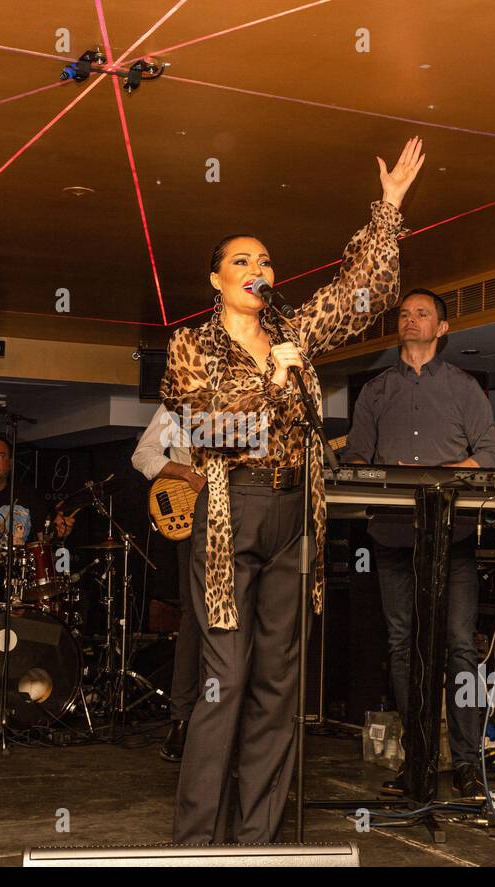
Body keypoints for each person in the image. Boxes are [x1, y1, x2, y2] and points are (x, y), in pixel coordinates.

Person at [163, 136, 424, 844]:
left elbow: (359, 296)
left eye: (265, 259)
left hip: (293, 510)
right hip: (231, 512)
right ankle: (197, 844)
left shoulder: (292, 330)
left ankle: (257, 842)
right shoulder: (191, 345)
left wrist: (388, 208)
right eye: (242, 260)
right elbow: (210, 430)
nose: (258, 267)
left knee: (281, 689)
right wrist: (274, 383)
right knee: (225, 683)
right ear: (216, 280)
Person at [344, 287, 495, 798]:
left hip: (451, 539)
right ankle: (416, 765)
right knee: (401, 647)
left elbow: (491, 457)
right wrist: (379, 475)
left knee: (459, 648)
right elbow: (356, 459)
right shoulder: (375, 390)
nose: (411, 320)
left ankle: (465, 764)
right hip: (391, 538)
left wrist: (434, 477)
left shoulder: (463, 389)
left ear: (442, 328)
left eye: (422, 314)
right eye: (405, 314)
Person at [131, 403, 204, 761]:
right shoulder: (177, 405)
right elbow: (142, 455)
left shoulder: (249, 396)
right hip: (194, 519)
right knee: (194, 614)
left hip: (239, 519)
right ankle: (182, 719)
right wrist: (185, 472)